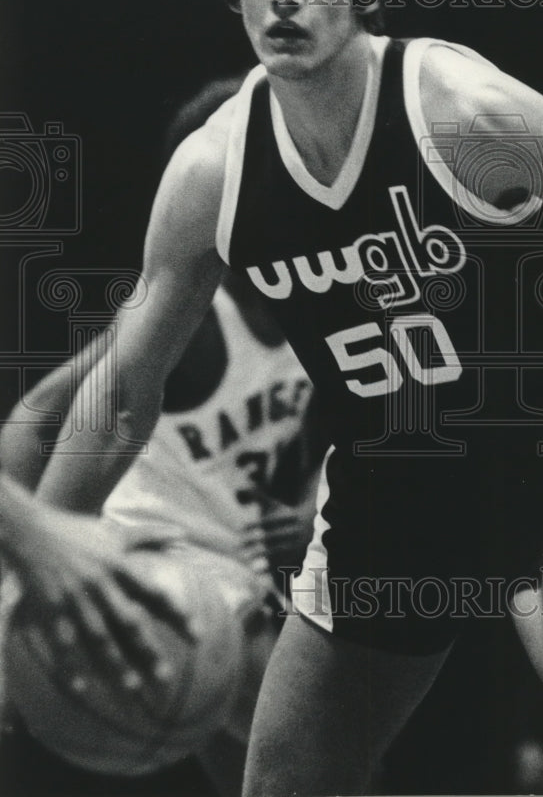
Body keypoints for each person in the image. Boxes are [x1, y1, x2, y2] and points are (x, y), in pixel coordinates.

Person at [0, 0, 543, 795]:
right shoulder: (213, 171)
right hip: (390, 518)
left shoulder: (459, 107)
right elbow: (124, 393)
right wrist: (43, 567)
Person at [0, 81, 320, 795]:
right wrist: (26, 557)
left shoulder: (324, 300)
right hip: (148, 551)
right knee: (305, 743)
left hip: (236, 554)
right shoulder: (192, 320)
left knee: (281, 768)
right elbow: (34, 418)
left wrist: (310, 500)